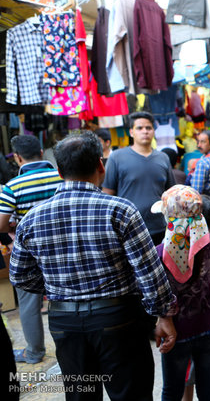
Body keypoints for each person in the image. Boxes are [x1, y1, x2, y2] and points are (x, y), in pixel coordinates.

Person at [10, 131, 177, 401]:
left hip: (64, 322)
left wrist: (58, 286)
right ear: (101, 165)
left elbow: (20, 275)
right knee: (130, 394)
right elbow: (149, 271)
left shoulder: (32, 218)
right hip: (118, 318)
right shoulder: (121, 210)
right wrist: (164, 315)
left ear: (59, 170)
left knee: (81, 395)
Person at [152, 185, 210, 401]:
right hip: (209, 327)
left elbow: (155, 297)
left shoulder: (159, 253)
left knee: (171, 391)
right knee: (208, 391)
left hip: (176, 333)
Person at [0, 135, 63, 364]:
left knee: (28, 301)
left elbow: (1, 224)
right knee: (63, 295)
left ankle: (35, 352)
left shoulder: (12, 186)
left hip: (29, 252)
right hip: (63, 248)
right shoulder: (61, 176)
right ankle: (68, 343)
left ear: (17, 157)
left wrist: (13, 228)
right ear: (40, 151)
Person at [103, 111, 175, 245]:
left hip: (160, 228)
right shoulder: (117, 158)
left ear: (154, 131)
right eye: (139, 128)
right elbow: (108, 194)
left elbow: (171, 193)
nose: (145, 131)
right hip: (128, 229)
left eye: (148, 128)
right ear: (131, 132)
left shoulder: (163, 158)